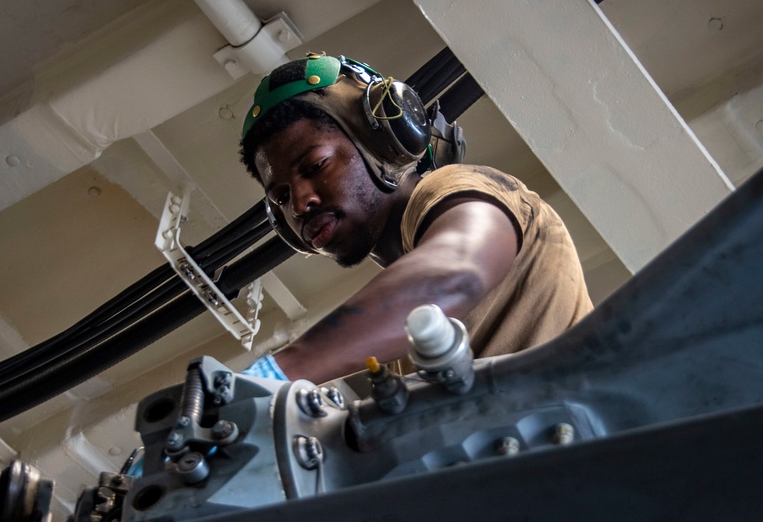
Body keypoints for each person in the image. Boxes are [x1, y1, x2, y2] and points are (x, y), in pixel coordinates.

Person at [240, 53, 592, 384]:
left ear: (375, 140)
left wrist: (279, 372)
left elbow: (455, 274)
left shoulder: (461, 188)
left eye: (315, 166)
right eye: (281, 197)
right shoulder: (404, 352)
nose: (300, 203)